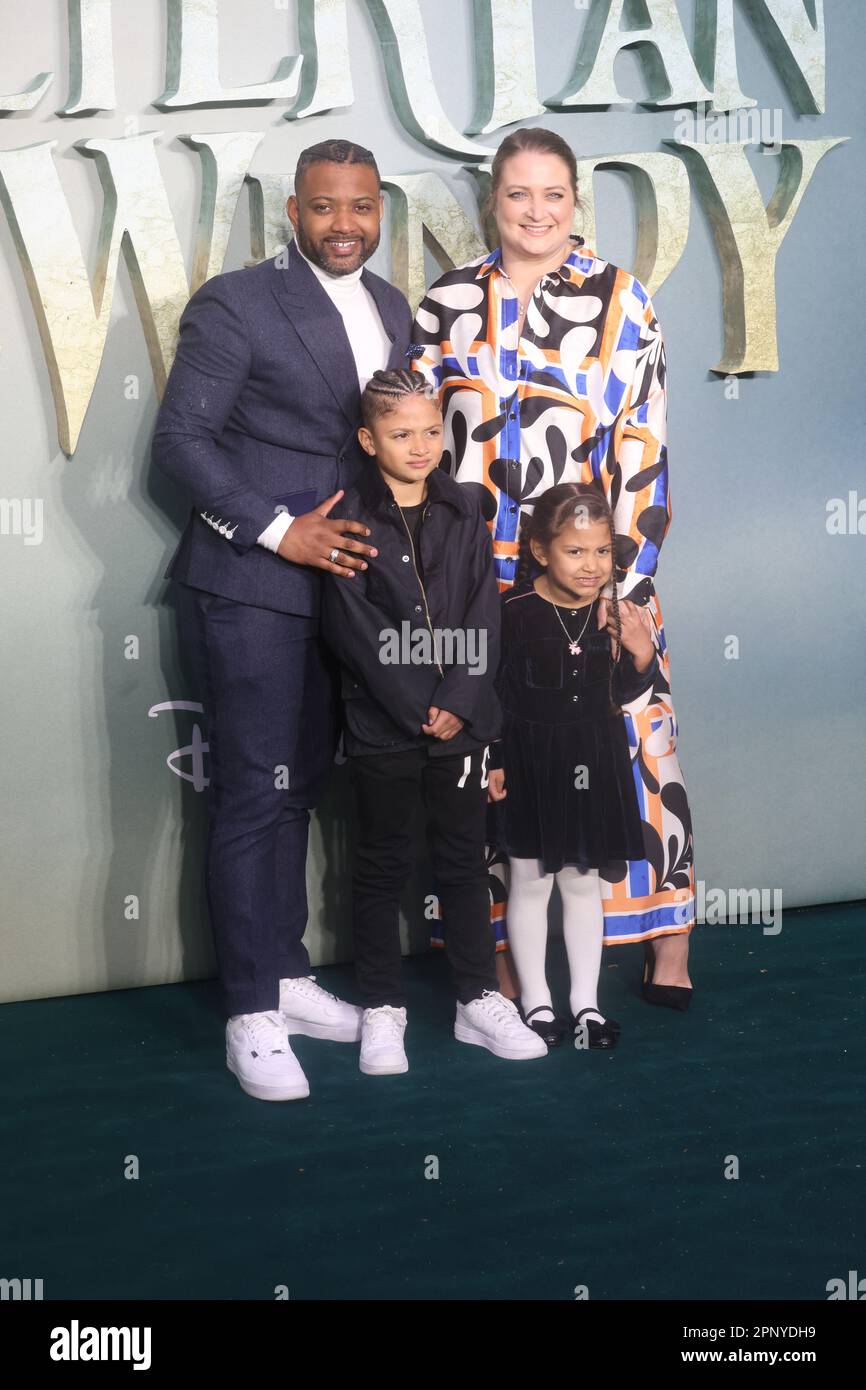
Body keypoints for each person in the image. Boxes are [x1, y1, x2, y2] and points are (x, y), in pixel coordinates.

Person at [152, 140, 413, 1103]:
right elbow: (180, 438)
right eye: (323, 208)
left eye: (361, 207)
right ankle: (249, 1015)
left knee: (299, 786)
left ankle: (288, 976)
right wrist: (275, 531)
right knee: (252, 801)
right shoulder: (238, 300)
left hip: (342, 593)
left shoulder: (393, 308)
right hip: (250, 583)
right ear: (293, 214)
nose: (344, 224)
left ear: (379, 208)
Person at [410, 125, 695, 1008]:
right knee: (498, 759)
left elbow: (642, 444)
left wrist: (627, 580)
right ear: (492, 201)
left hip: (590, 568)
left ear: (576, 202)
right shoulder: (446, 302)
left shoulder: (623, 299)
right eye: (518, 194)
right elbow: (415, 443)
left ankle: (665, 937)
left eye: (555, 195)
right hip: (478, 577)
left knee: (635, 742)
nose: (537, 211)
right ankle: (504, 955)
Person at [320, 370, 547, 1073]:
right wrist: (422, 706)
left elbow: (485, 608)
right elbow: (351, 628)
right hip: (384, 728)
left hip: (465, 725)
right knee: (382, 866)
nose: (419, 446)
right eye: (399, 434)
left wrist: (462, 698)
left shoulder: (464, 509)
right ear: (368, 439)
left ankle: (478, 999)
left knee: (462, 862)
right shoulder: (348, 516)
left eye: (428, 431)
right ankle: (383, 1008)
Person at [488, 483, 659, 1049]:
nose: (592, 566)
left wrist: (641, 652)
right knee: (530, 883)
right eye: (576, 552)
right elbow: (491, 693)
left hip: (596, 757)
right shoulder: (512, 611)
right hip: (531, 761)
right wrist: (493, 760)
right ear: (541, 551)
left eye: (603, 551)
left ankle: (584, 1003)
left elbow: (627, 693)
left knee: (583, 885)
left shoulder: (619, 612)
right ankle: (536, 1002)